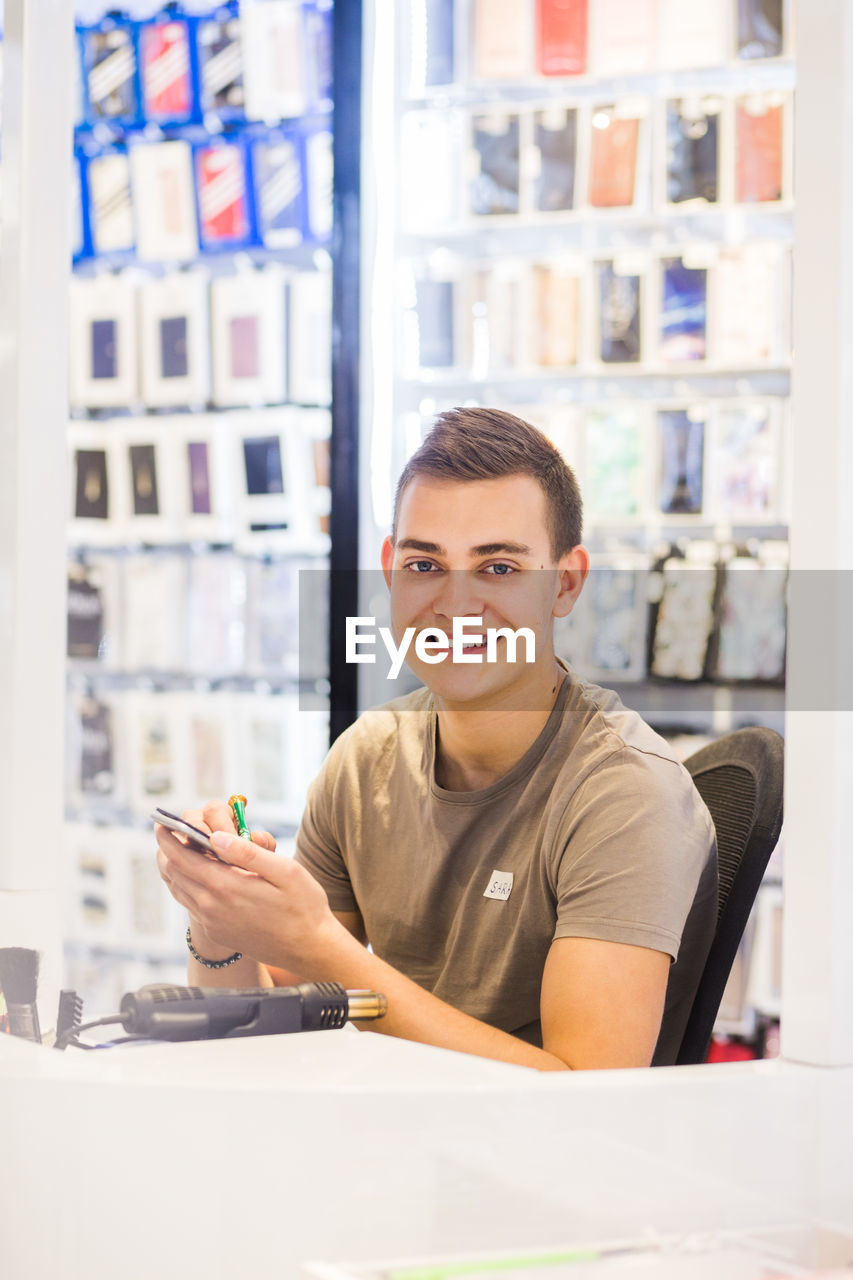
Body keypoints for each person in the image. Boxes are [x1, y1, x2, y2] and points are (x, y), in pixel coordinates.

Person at [156, 407, 717, 1070]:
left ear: (564, 583)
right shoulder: (365, 760)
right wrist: (221, 914)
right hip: (392, 1143)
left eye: (499, 568)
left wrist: (320, 945)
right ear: (391, 570)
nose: (454, 605)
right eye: (425, 564)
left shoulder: (627, 791)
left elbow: (583, 1092)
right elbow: (261, 1031)